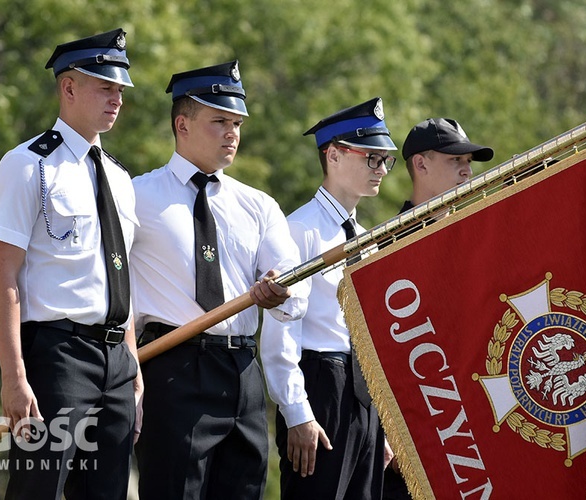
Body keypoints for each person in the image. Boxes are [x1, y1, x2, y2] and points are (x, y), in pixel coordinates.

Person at [131, 60, 308, 499]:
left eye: (237, 123)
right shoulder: (135, 195)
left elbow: (295, 287)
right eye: (219, 121)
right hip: (172, 368)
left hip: (242, 372)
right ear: (182, 124)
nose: (232, 133)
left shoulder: (258, 205)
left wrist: (280, 290)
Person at [0, 28, 142, 499]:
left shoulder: (119, 176)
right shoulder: (26, 165)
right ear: (69, 87)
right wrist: (14, 379)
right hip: (57, 356)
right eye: (105, 87)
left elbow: (121, 279)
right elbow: (1, 275)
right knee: (40, 489)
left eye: (120, 90)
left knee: (108, 492)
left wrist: (132, 369)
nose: (116, 99)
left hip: (115, 361)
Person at [260, 97, 397, 499]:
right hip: (322, 384)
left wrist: (377, 424)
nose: (382, 170)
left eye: (385, 160)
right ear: (333, 155)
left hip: (361, 392)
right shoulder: (300, 229)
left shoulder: (362, 237)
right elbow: (281, 331)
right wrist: (297, 412)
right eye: (372, 158)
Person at [381, 117, 494, 499]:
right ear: (421, 164)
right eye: (454, 159)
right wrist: (385, 433)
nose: (466, 168)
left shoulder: (476, 240)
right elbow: (374, 355)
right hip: (419, 435)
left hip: (478, 429)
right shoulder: (387, 250)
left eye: (469, 161)